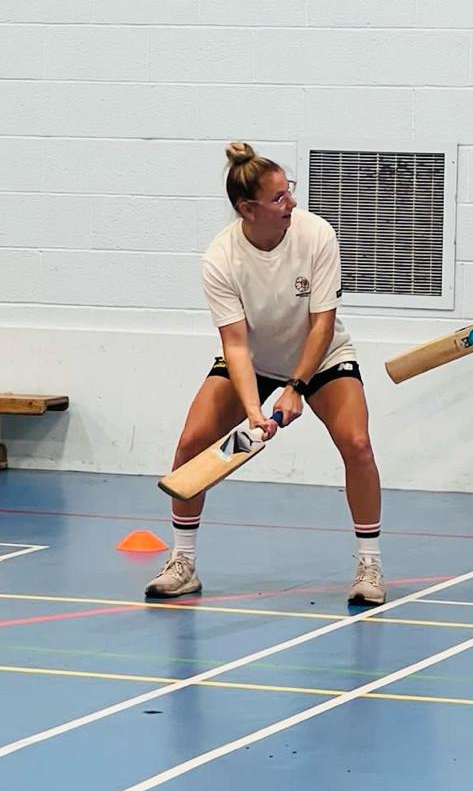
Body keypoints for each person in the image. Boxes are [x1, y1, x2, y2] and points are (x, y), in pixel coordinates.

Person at [145, 142, 387, 604]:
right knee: (191, 443)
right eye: (278, 198)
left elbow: (323, 324)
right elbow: (234, 344)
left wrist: (296, 386)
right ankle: (182, 562)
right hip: (254, 361)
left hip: (322, 358)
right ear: (246, 209)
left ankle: (369, 564)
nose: (291, 203)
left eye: (289, 191)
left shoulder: (317, 235)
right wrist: (254, 411)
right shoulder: (221, 258)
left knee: (357, 444)